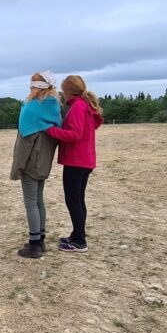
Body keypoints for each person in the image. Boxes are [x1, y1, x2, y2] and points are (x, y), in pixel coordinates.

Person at [45, 75, 103, 253]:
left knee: (74, 200)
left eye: (63, 89)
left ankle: (79, 242)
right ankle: (77, 235)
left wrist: (51, 130)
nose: (62, 93)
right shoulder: (85, 105)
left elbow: (75, 135)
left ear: (68, 90)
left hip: (76, 161)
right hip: (84, 160)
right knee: (78, 199)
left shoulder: (78, 107)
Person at [10, 71, 62, 258]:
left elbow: (25, 143)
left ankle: (34, 246)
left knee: (31, 202)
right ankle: (40, 240)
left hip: (32, 160)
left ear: (36, 87)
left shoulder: (31, 108)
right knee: (38, 200)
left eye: (31, 84)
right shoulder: (53, 105)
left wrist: (18, 166)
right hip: (44, 160)